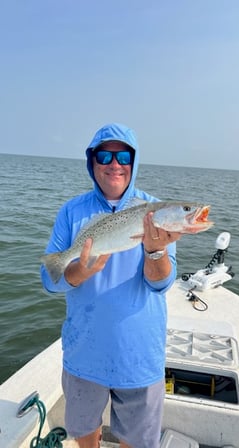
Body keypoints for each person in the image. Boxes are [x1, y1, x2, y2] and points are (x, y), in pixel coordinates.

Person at [41, 123, 181, 448]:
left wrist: (155, 250)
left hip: (139, 356)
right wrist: (78, 271)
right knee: (85, 432)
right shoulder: (71, 211)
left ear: (134, 161)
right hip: (84, 352)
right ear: (92, 162)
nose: (114, 164)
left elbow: (161, 284)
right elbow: (50, 278)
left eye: (123, 156)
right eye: (104, 155)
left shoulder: (154, 212)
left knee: (136, 441)